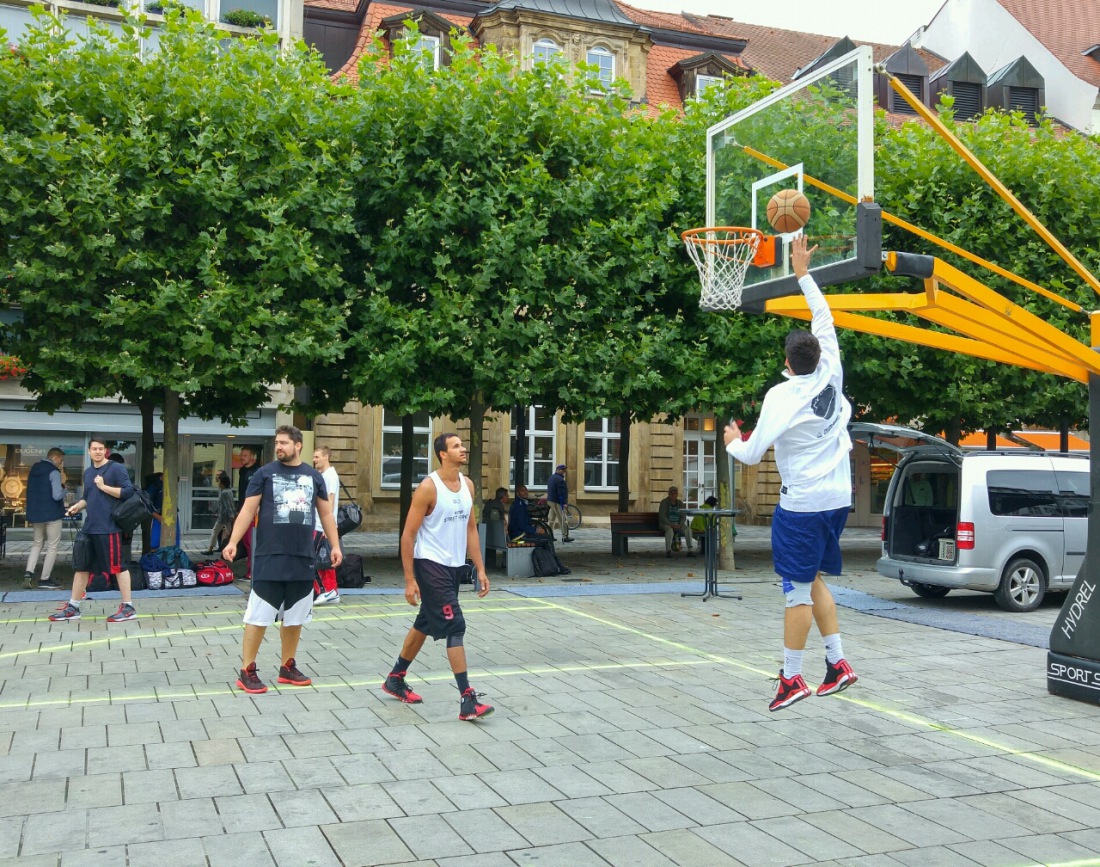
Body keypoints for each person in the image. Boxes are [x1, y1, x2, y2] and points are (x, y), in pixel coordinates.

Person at [724, 235, 858, 712]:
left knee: (796, 590)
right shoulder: (833, 369)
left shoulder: (780, 399)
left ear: (786, 363)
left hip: (802, 505)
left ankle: (792, 677)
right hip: (839, 498)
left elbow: (752, 453)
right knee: (815, 578)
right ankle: (838, 663)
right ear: (818, 355)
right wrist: (803, 272)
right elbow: (825, 317)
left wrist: (730, 441)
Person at [381, 433, 494, 721]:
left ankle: (395, 677)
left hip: (454, 566)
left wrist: (480, 568)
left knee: (425, 621)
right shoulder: (428, 488)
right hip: (430, 564)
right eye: (456, 446)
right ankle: (467, 699)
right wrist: (409, 579)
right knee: (455, 625)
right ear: (443, 454)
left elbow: (470, 529)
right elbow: (408, 535)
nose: (463, 449)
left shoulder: (467, 485)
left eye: (462, 445)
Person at [224, 425, 342, 694]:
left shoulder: (314, 477)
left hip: (303, 556)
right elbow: (247, 510)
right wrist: (232, 541)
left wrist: (335, 545)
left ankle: (287, 666)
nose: (279, 447)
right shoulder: (264, 474)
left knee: (295, 615)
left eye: (284, 443)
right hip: (270, 556)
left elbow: (325, 515)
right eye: (277, 442)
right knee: (259, 614)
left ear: (298, 445)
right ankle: (247, 670)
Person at [49, 437, 139, 623]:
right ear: (89, 452)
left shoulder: (116, 468)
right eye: (94, 449)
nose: (97, 452)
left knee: (118, 567)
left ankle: (128, 607)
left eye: (100, 449)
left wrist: (104, 486)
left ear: (105, 451)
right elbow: (88, 498)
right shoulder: (89, 472)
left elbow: (127, 492)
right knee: (82, 567)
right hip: (90, 527)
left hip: (109, 527)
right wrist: (77, 506)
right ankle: (73, 607)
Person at [24, 447, 66, 590]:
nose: (61, 463)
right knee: (52, 546)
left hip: (36, 514)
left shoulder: (34, 469)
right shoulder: (53, 472)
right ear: (54, 457)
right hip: (52, 514)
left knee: (37, 544)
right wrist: (65, 487)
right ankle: (44, 579)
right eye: (61, 460)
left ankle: (28, 573)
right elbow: (57, 495)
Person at [507, 484, 570, 574]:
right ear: (517, 493)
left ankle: (549, 564)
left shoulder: (521, 503)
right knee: (547, 539)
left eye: (526, 490)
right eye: (522, 491)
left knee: (546, 537)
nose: (525, 492)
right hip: (519, 537)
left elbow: (526, 520)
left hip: (521, 533)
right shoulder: (518, 506)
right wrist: (536, 530)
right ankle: (556, 565)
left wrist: (536, 526)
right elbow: (521, 525)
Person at [312, 445, 341, 605]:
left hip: (320, 525)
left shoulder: (329, 476)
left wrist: (325, 526)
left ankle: (326, 590)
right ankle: (329, 590)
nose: (314, 460)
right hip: (320, 525)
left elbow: (329, 502)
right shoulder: (326, 475)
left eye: (317, 457)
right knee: (324, 558)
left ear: (326, 457)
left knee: (313, 558)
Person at [236, 446, 260, 578]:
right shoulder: (242, 471)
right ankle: (250, 569)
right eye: (241, 455)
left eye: (245, 455)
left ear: (252, 457)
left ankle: (253, 571)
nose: (242, 457)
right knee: (246, 540)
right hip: (243, 509)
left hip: (252, 512)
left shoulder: (257, 471)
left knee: (252, 541)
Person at [203, 470, 236, 555]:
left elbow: (228, 506)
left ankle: (210, 549)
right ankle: (210, 549)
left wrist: (231, 516)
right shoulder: (227, 491)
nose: (218, 482)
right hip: (225, 517)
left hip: (224, 517)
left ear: (222, 483)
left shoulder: (225, 493)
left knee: (220, 532)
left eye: (220, 481)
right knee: (228, 532)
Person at [658, 486, 695, 558]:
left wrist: (680, 524)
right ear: (668, 494)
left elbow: (683, 515)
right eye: (672, 493)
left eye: (675, 493)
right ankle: (668, 551)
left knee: (688, 530)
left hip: (678, 524)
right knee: (669, 530)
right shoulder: (664, 502)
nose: (673, 495)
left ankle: (690, 550)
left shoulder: (680, 503)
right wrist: (671, 524)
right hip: (667, 524)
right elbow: (662, 516)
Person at [546, 463, 573, 542]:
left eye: (565, 470)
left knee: (551, 519)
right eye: (563, 470)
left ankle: (549, 535)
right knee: (562, 519)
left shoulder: (551, 477)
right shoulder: (560, 480)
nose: (564, 472)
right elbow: (561, 493)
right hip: (557, 501)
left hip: (550, 500)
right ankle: (565, 536)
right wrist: (563, 503)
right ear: (559, 470)